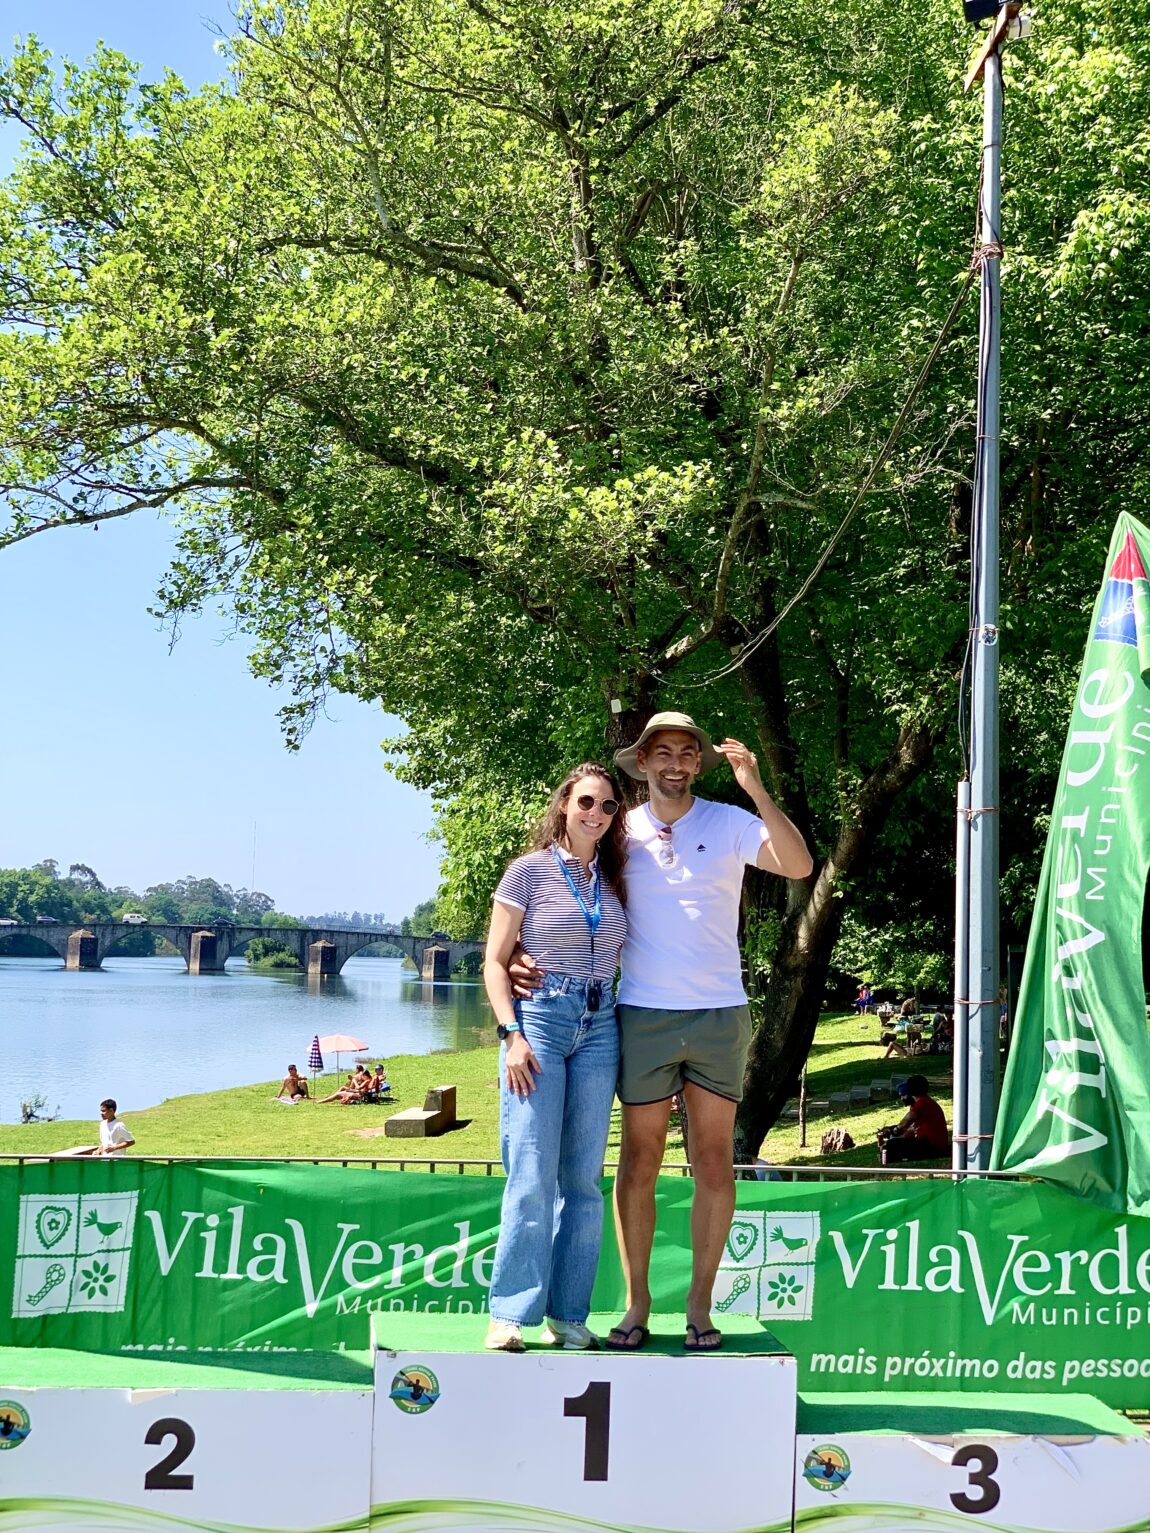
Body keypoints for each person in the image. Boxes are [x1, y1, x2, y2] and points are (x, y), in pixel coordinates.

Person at [516, 712, 812, 1351]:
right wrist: (515, 955)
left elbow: (798, 865)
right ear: (643, 763)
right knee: (639, 1160)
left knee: (713, 1160)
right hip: (642, 1014)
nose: (675, 763)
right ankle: (637, 1303)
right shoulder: (617, 830)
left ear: (699, 763)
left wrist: (756, 789)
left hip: (718, 1014)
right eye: (662, 752)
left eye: (686, 752)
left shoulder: (730, 822)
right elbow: (563, 890)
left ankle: (700, 1304)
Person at [483, 761, 629, 1354]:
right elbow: (495, 961)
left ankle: (568, 1315)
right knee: (532, 1171)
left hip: (600, 1026)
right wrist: (510, 1034)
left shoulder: (615, 878)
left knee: (584, 1181)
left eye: (608, 806)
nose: (597, 813)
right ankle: (509, 1315)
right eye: (586, 802)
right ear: (565, 804)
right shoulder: (528, 872)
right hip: (540, 1020)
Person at [877, 1075, 949, 1164]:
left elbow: (909, 1118)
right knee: (895, 1143)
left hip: (932, 1145)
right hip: (932, 1144)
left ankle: (890, 1159)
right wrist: (893, 1130)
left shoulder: (922, 1102)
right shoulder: (926, 1101)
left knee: (893, 1144)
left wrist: (896, 1129)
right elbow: (910, 1128)